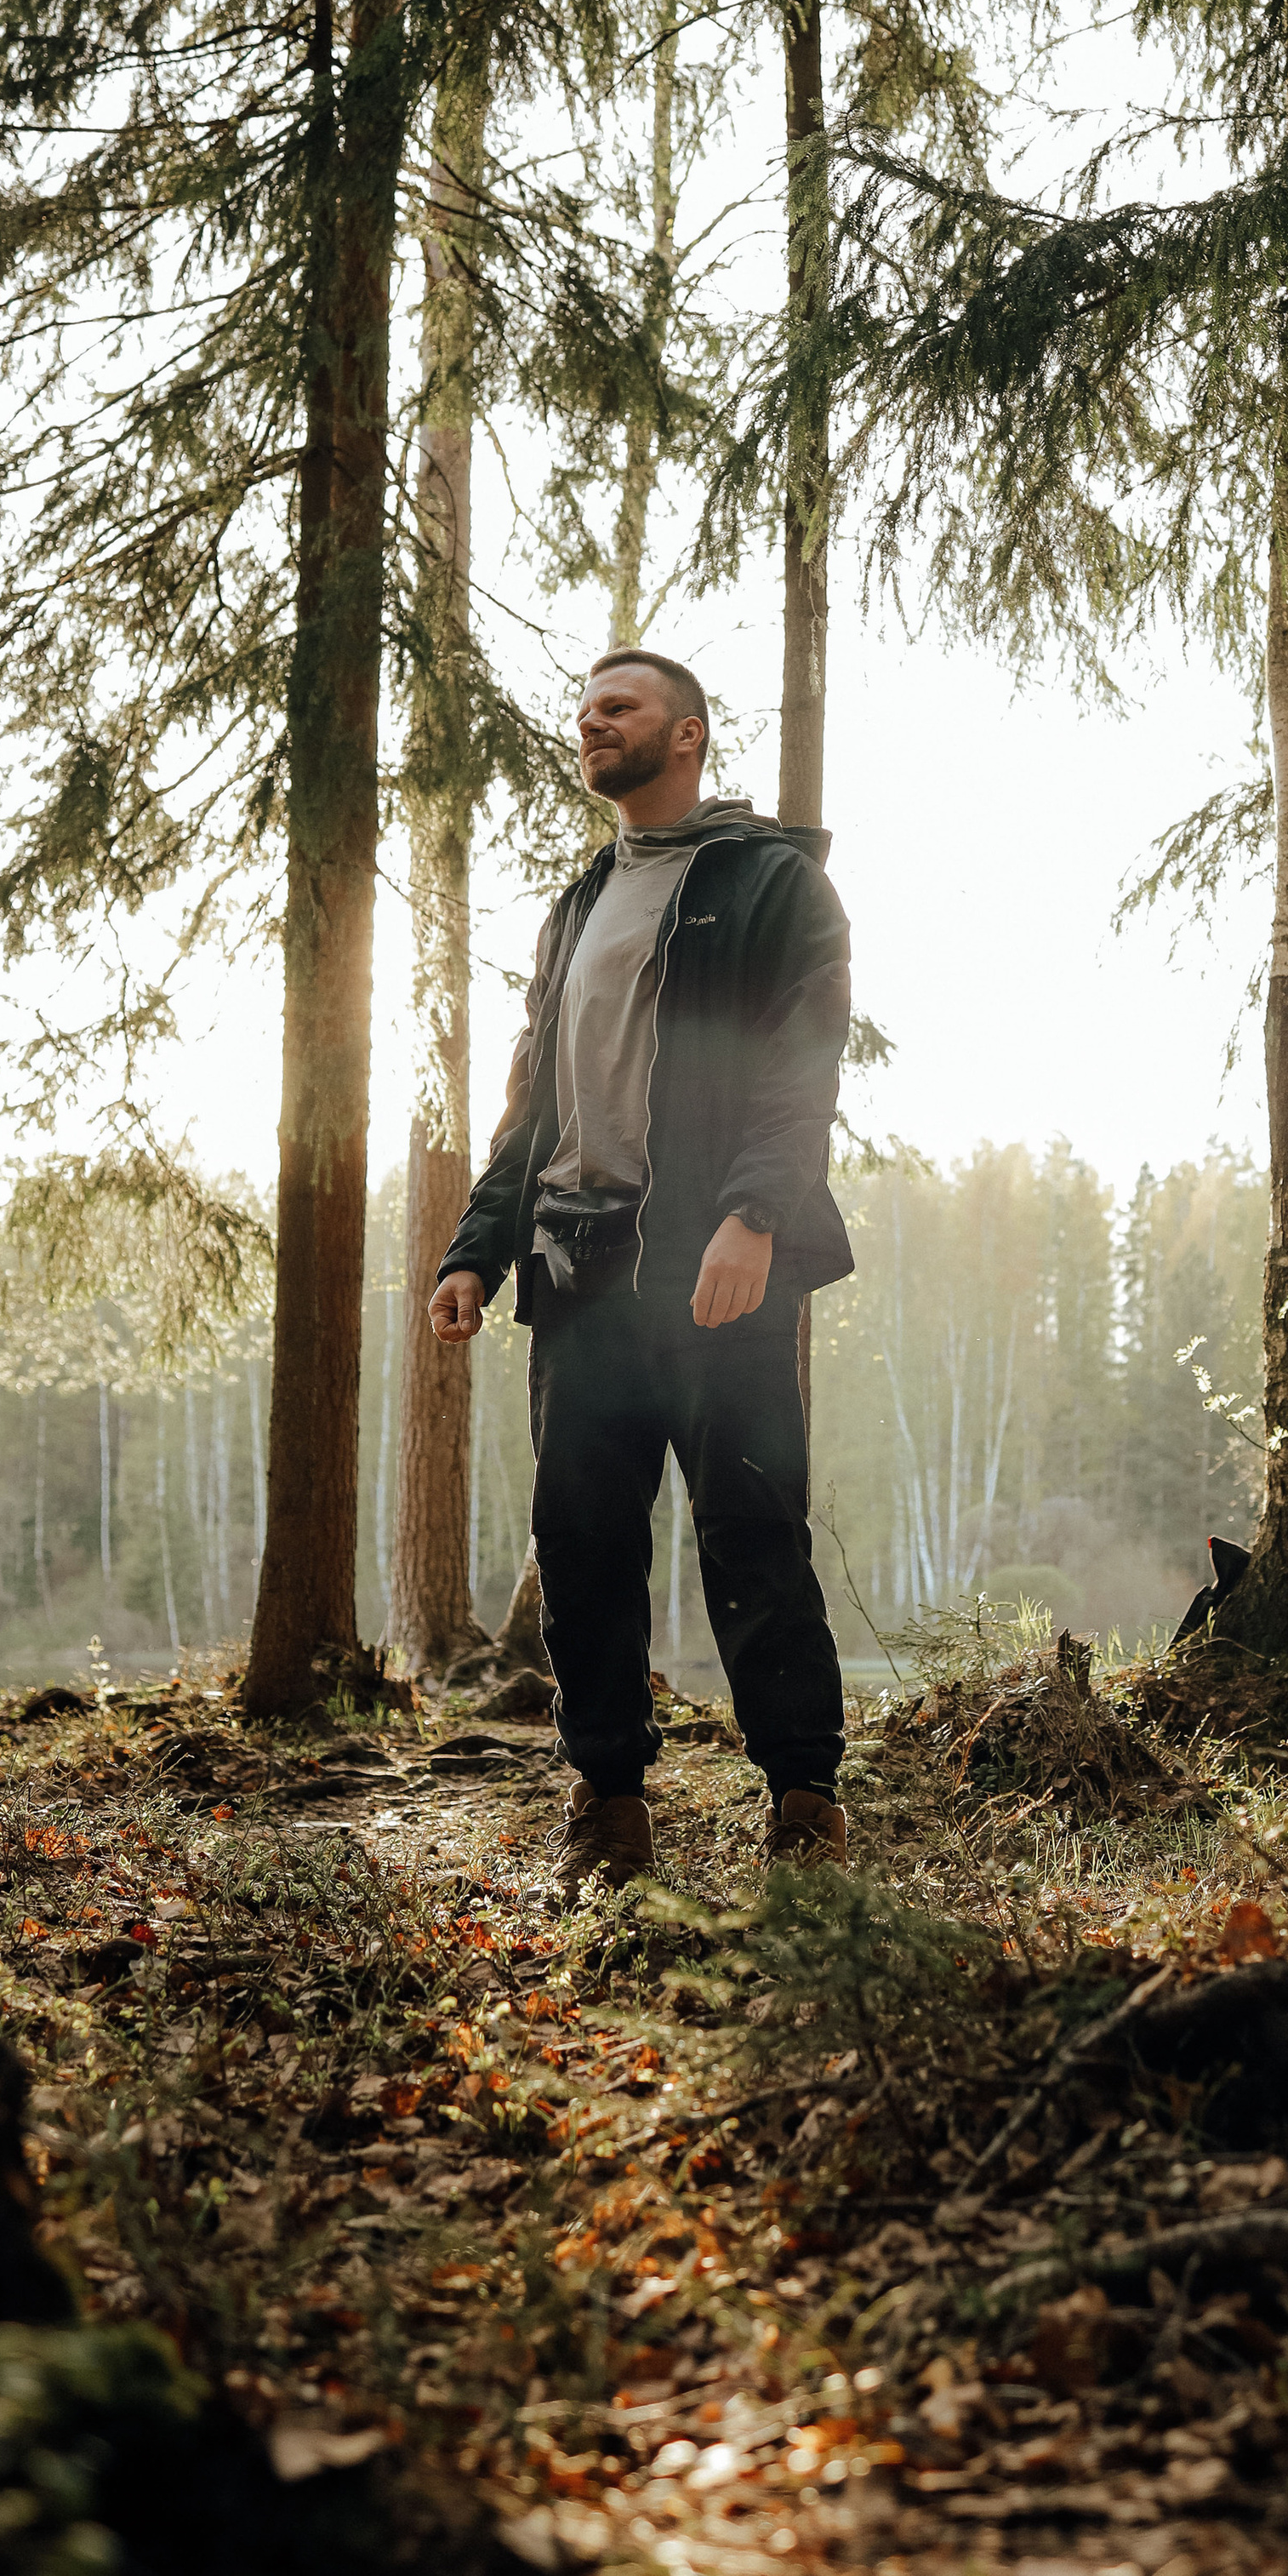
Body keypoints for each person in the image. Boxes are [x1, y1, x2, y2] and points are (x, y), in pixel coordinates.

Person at [429, 648, 853, 1898]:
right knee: (583, 1547)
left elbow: (801, 1061)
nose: (590, 723)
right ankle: (610, 1804)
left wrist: (754, 1215)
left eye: (617, 707)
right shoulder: (577, 904)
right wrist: (476, 1248)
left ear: (687, 736)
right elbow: (534, 1102)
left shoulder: (773, 883)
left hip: (719, 1267)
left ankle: (804, 1803)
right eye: (586, 709)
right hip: (578, 1276)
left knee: (751, 1534)